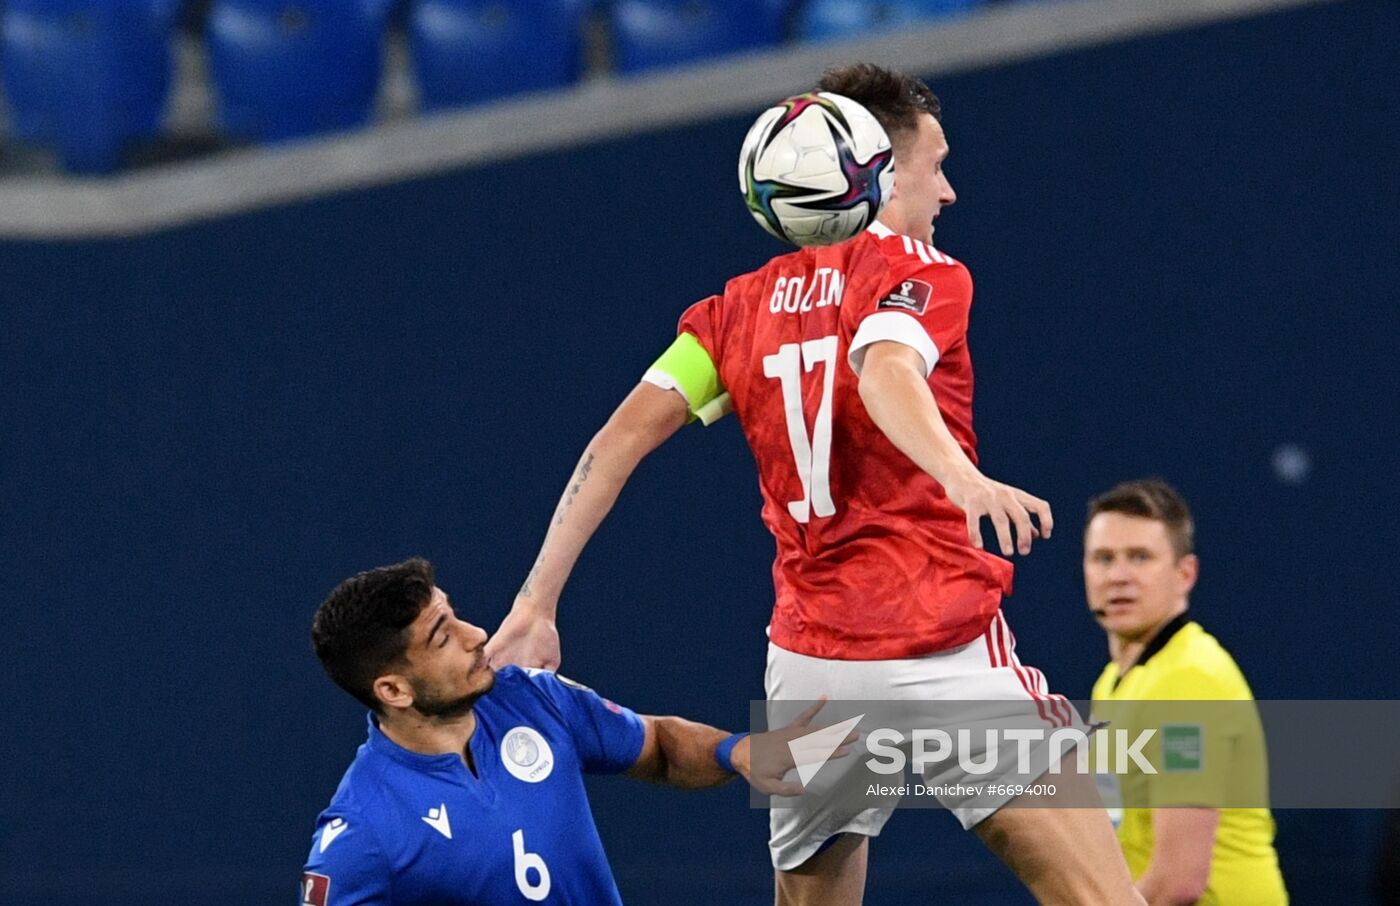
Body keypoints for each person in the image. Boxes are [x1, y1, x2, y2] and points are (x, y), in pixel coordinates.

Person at [488, 62, 1141, 904]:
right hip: (940, 649)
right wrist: (963, 477)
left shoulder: (732, 311)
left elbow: (615, 442)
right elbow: (885, 367)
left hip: (812, 671)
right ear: (876, 166)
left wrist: (536, 603)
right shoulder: (924, 273)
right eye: (934, 166)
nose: (947, 193)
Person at [300, 557, 839, 906]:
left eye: (455, 614)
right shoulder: (362, 835)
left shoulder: (531, 699)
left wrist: (736, 751)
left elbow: (662, 747)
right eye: (443, 637)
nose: (477, 635)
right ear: (393, 690)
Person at [1084, 479, 1287, 904]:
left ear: (1185, 574)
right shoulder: (1113, 682)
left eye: (1140, 557)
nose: (1118, 576)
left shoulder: (1189, 682)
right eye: (1103, 559)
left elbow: (1178, 881)